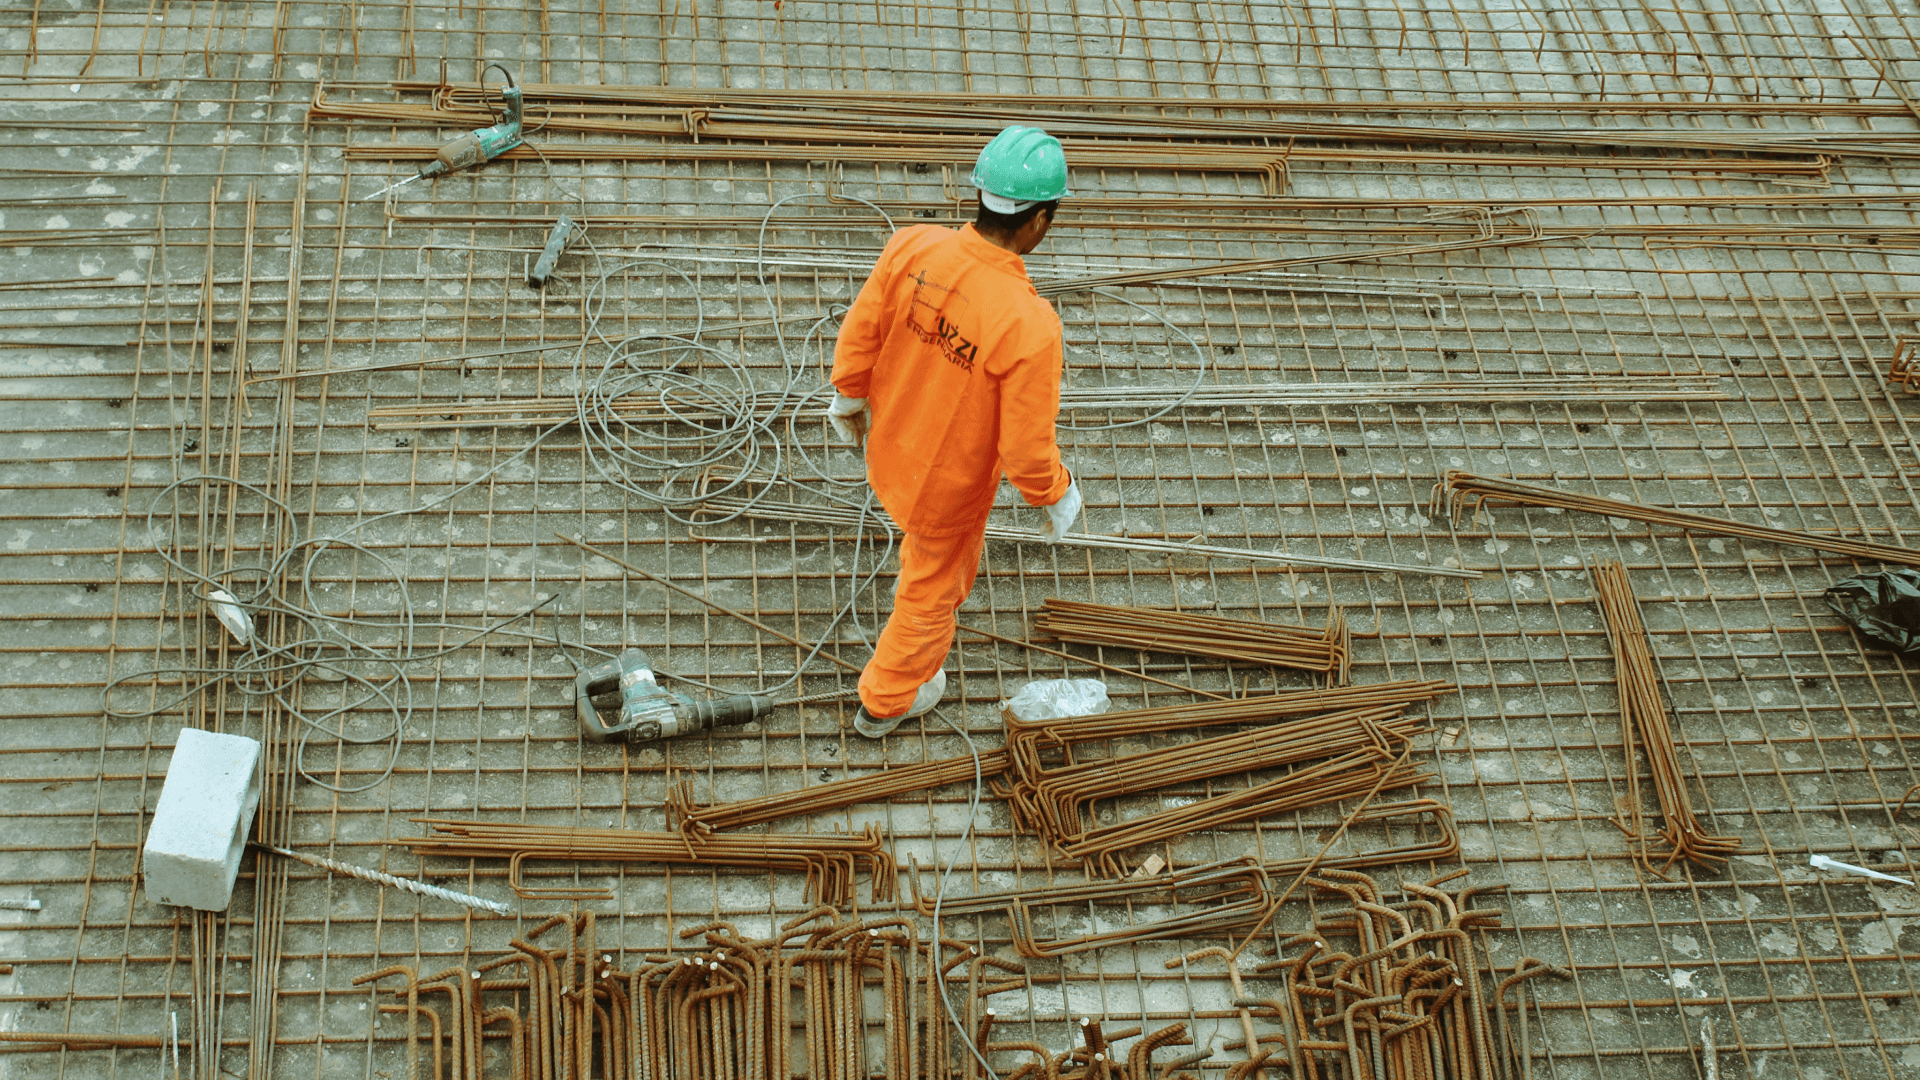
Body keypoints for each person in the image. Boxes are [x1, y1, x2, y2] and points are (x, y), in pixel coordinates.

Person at [825, 125, 1083, 738]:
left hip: (889, 446)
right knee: (931, 592)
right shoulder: (1029, 325)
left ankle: (896, 684)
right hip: (945, 488)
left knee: (920, 560)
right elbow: (1025, 450)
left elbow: (861, 330)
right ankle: (886, 701)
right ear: (1039, 221)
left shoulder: (912, 247)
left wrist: (847, 396)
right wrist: (1056, 492)